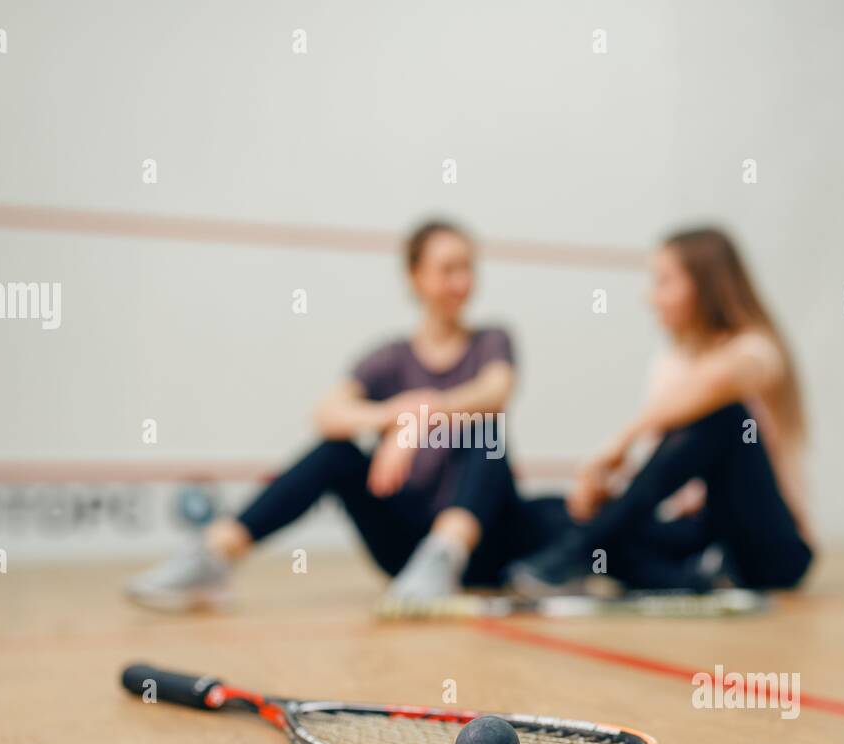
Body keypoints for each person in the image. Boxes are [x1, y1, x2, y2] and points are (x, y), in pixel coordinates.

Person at [127, 220, 557, 611]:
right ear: (415, 277)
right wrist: (391, 417)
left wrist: (421, 418)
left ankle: (444, 556)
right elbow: (327, 413)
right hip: (405, 552)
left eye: (467, 269)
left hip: (484, 545)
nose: (461, 282)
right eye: (448, 270)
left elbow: (495, 392)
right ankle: (216, 554)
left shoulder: (491, 340)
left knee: (484, 432)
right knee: (336, 453)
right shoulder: (389, 359)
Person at [508, 227, 815, 595]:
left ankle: (587, 550)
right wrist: (606, 494)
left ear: (703, 286)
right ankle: (675, 578)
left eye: (663, 282)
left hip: (767, 549)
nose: (650, 296)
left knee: (726, 417)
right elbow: (668, 466)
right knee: (551, 512)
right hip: (699, 534)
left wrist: (617, 444)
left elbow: (713, 387)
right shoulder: (670, 363)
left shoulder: (758, 352)